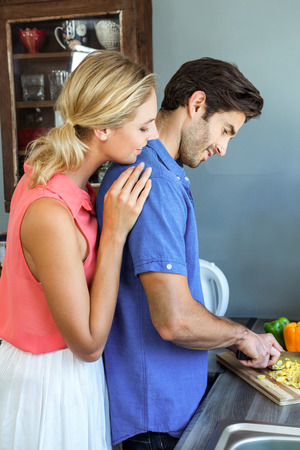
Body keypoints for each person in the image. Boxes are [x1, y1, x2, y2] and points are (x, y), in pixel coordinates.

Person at [96, 57, 283, 450]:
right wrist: (241, 335)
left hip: (161, 411)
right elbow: (175, 320)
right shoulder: (155, 180)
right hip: (152, 420)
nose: (223, 148)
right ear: (197, 105)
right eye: (225, 130)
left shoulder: (161, 171)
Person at [0, 50, 158, 450]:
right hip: (49, 386)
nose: (152, 136)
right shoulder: (50, 214)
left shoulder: (59, 181)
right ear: (103, 128)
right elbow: (88, 345)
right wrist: (115, 234)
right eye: (144, 126)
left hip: (68, 377)